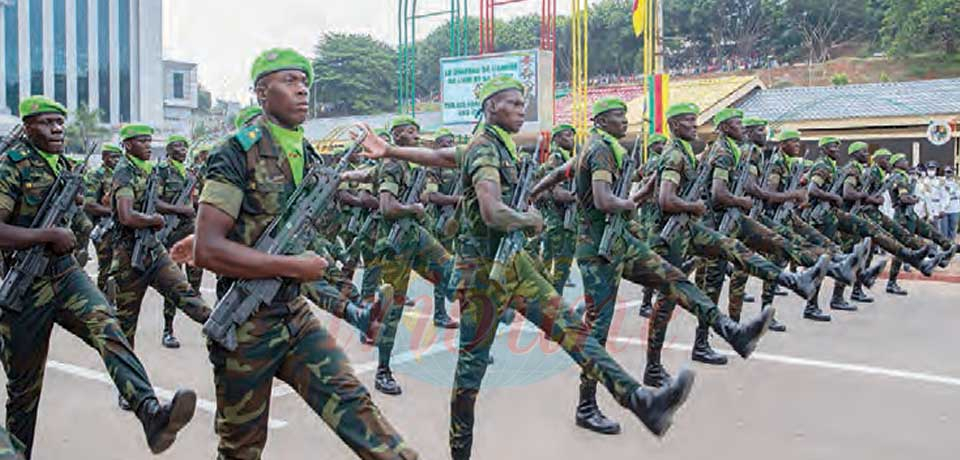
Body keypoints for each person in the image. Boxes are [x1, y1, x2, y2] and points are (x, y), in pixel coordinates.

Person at [356, 77, 696, 460]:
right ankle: (460, 453)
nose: (521, 109)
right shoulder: (487, 148)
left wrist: (390, 150)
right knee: (470, 374)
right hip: (484, 275)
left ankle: (640, 401)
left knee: (572, 329)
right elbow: (491, 211)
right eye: (513, 104)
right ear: (491, 108)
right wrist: (530, 221)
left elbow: (443, 157)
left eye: (523, 103)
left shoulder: (490, 145)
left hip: (514, 264)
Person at [191, 48, 417, 459]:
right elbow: (209, 248)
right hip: (246, 325)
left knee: (358, 409)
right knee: (240, 449)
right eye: (290, 81)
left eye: (305, 82)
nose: (302, 91)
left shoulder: (307, 155)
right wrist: (293, 265)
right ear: (262, 92)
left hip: (293, 314)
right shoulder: (235, 152)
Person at [0, 95, 197, 459]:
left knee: (108, 326)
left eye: (60, 122)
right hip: (24, 287)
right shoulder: (11, 167)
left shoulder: (63, 166)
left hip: (64, 273)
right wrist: (47, 236)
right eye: (46, 122)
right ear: (27, 127)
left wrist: (75, 223)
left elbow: (78, 218)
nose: (57, 129)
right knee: (24, 394)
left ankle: (149, 412)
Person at [109, 124, 211, 387]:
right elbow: (126, 215)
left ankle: (228, 337)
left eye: (148, 140)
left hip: (153, 249)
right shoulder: (124, 171)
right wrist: (154, 219)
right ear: (127, 144)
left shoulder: (149, 171)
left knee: (187, 294)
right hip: (130, 254)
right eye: (141, 141)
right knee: (126, 325)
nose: (146, 145)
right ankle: (128, 387)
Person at [538, 124, 578, 294]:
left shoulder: (567, 158)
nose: (572, 138)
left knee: (550, 262)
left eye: (572, 135)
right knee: (561, 266)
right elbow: (556, 192)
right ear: (556, 139)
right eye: (567, 135)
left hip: (560, 218)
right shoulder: (557, 159)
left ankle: (547, 299)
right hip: (559, 220)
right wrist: (579, 197)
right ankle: (554, 304)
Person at [83, 143, 122, 293]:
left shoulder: (121, 175)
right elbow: (89, 204)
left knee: (120, 267)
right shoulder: (96, 175)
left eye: (119, 157)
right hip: (103, 227)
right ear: (104, 157)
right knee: (106, 266)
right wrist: (113, 212)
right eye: (113, 157)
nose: (116, 160)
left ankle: (115, 299)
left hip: (120, 227)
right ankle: (103, 299)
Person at [943, 166, 959, 241]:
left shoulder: (957, 182)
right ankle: (945, 249)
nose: (947, 174)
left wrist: (951, 190)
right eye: (946, 172)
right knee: (944, 231)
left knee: (952, 230)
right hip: (944, 210)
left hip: (954, 209)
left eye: (949, 172)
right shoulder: (941, 181)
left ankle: (951, 247)